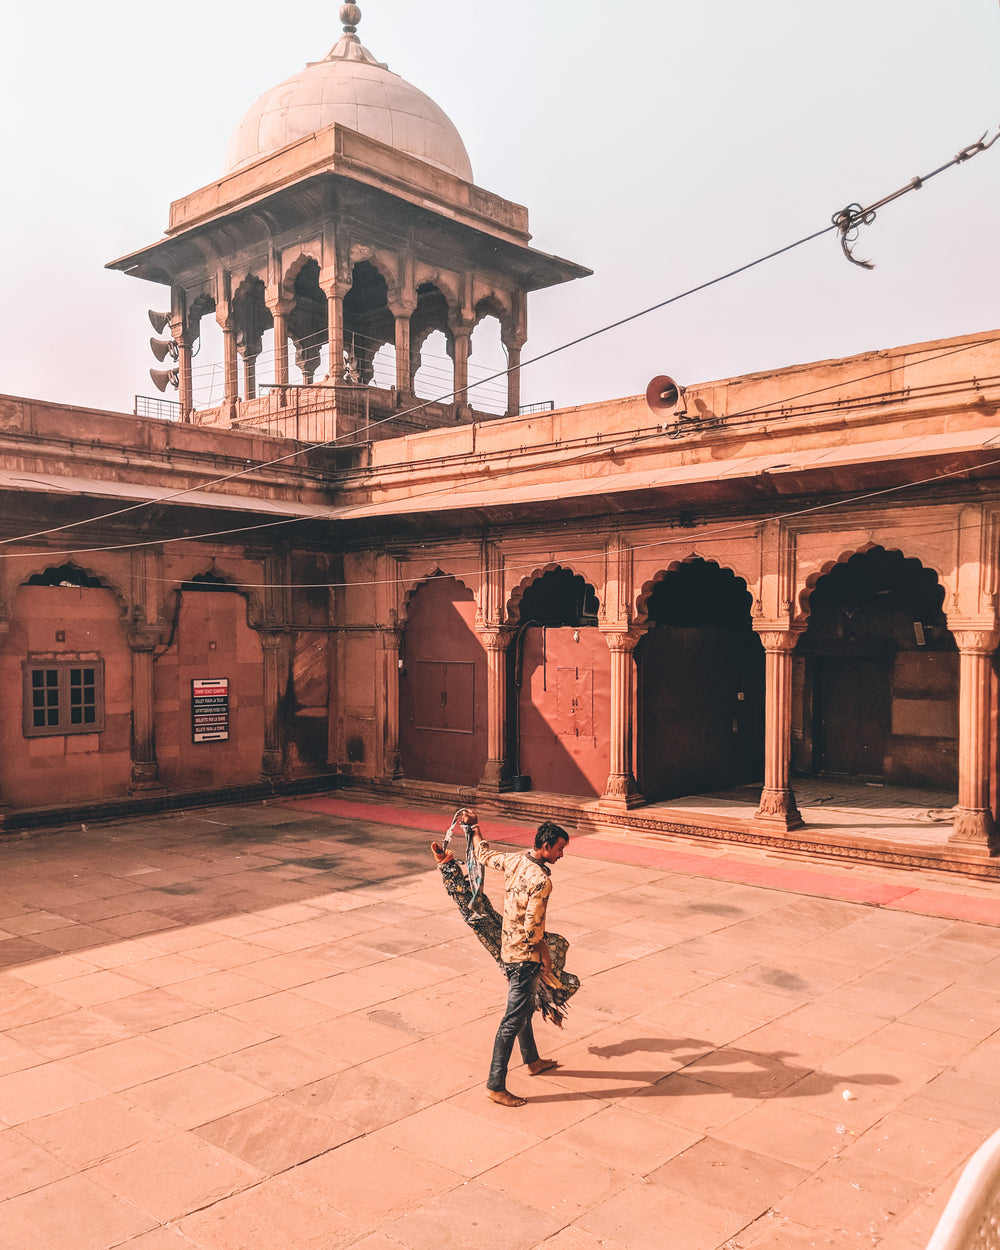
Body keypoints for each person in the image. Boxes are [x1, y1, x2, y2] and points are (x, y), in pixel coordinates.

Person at [445, 810, 570, 1108]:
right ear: (546, 846)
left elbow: (483, 854)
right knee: (511, 1022)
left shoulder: (516, 860)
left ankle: (532, 1060)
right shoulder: (541, 880)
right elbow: (533, 928)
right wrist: (545, 958)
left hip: (508, 948)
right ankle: (495, 1085)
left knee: (524, 1008)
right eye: (560, 849)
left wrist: (474, 828)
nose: (561, 855)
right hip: (524, 957)